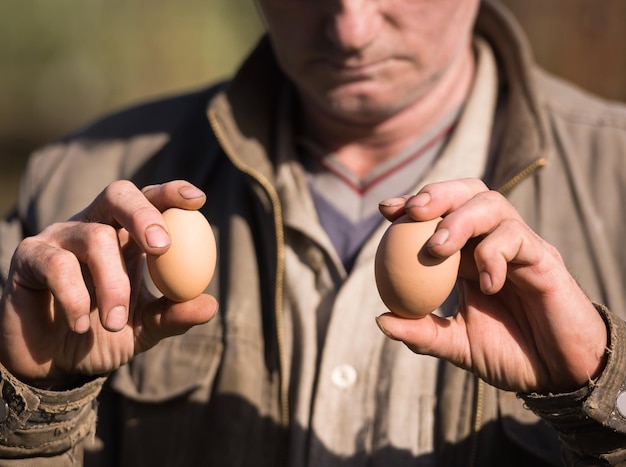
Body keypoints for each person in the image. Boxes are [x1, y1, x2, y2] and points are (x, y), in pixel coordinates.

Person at [1, 0, 625, 465]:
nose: (349, 28)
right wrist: (29, 402)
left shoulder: (615, 184)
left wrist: (607, 396)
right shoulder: (73, 190)